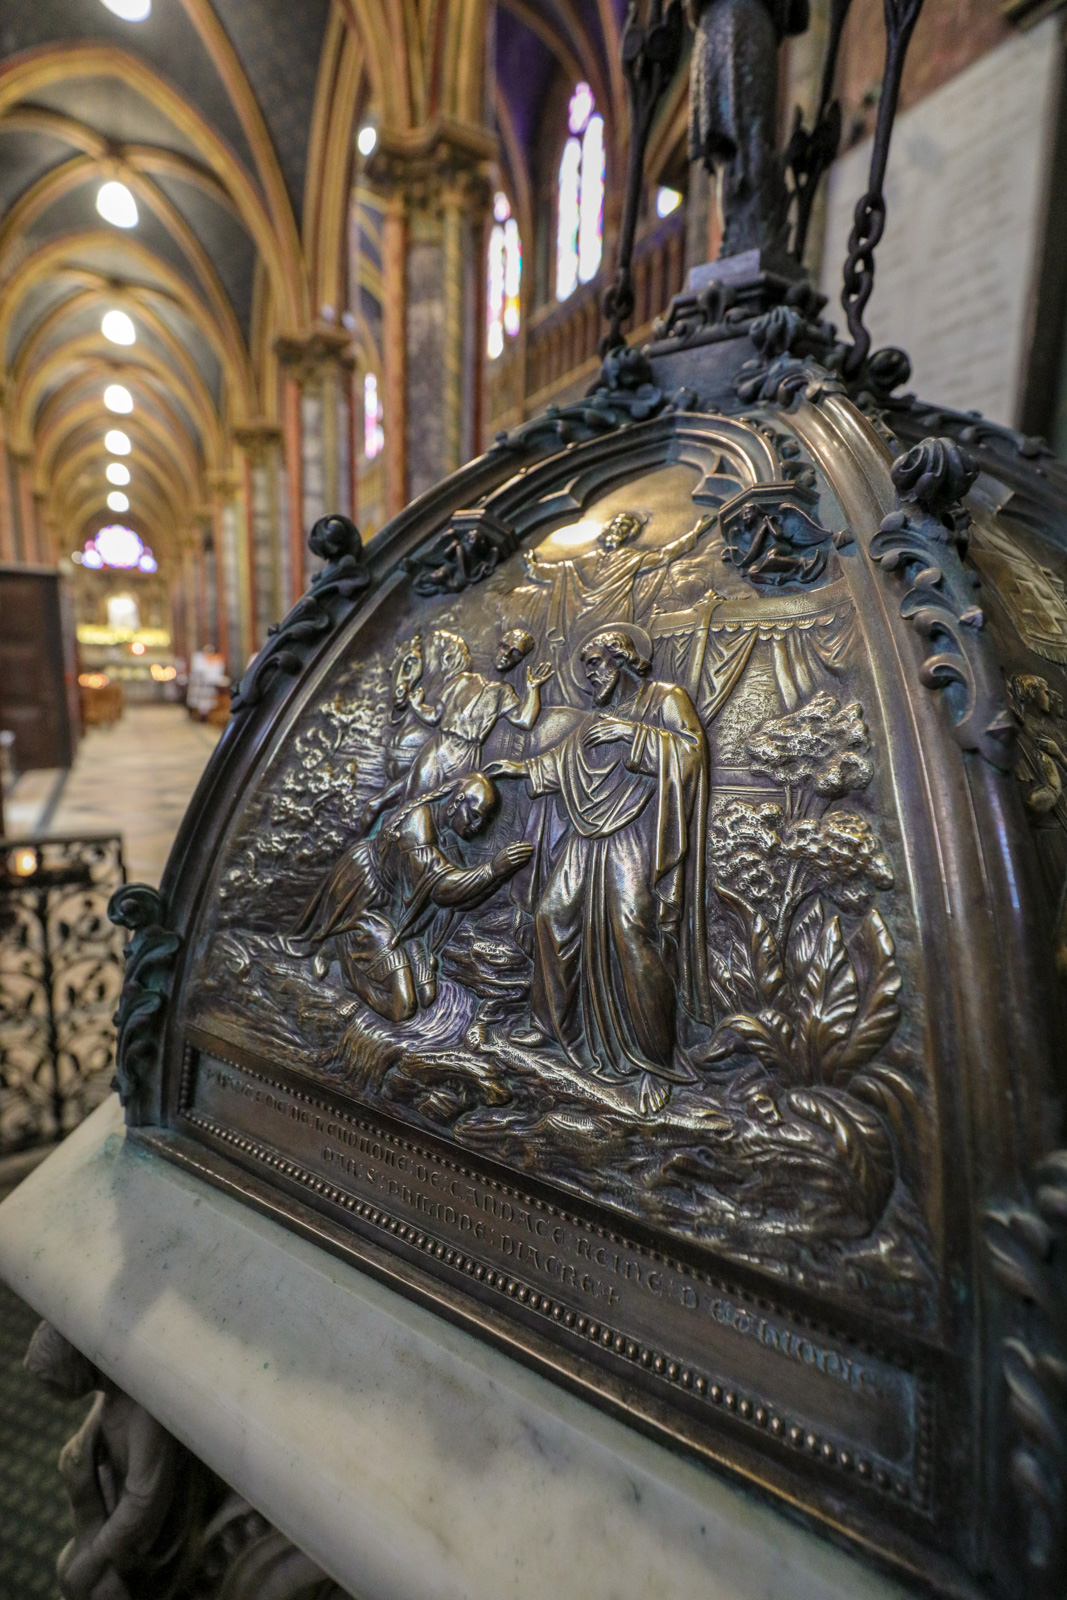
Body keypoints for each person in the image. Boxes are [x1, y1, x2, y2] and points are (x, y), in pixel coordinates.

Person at [487, 626, 712, 1111]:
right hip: (587, 838)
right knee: (551, 914)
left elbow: (691, 752)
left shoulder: (664, 698)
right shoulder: (596, 716)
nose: (591, 676)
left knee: (633, 932)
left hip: (635, 838)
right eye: (586, 667)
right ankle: (549, 1027)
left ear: (624, 658)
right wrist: (522, 769)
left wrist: (633, 733)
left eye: (596, 663)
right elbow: (569, 760)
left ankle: (656, 1061)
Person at [289, 772, 532, 1023]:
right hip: (365, 897)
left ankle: (396, 949)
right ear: (457, 802)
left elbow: (455, 897)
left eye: (485, 820)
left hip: (389, 908)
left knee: (425, 996)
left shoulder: (445, 833)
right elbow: (442, 888)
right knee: (402, 1008)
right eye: (475, 815)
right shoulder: (418, 826)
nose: (478, 826)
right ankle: (340, 952)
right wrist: (494, 869)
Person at [359, 628, 552, 835]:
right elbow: (435, 716)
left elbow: (525, 720)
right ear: (497, 646)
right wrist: (417, 705)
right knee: (412, 802)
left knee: (440, 813)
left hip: (465, 757)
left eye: (515, 653)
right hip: (439, 748)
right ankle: (388, 839)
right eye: (505, 646)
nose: (506, 654)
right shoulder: (461, 680)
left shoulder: (503, 693)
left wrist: (533, 689)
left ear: (520, 660)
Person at [522, 511, 713, 703]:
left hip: (614, 617)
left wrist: (695, 533)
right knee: (583, 670)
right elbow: (558, 572)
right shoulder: (586, 560)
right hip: (581, 621)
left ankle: (624, 702)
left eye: (624, 527)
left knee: (614, 662)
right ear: (606, 530)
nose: (618, 529)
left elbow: (663, 555)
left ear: (629, 533)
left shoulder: (630, 558)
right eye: (616, 525)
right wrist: (532, 567)